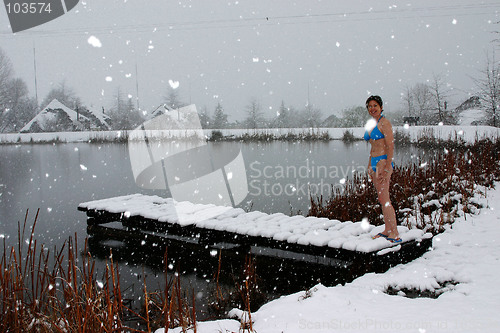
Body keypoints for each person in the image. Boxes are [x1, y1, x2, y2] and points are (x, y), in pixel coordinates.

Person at [363, 95, 401, 243]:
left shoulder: (385, 123)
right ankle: (387, 229)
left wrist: (386, 167)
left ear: (381, 107)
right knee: (381, 198)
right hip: (373, 162)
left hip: (382, 162)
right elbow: (372, 145)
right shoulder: (372, 123)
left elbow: (390, 145)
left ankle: (395, 233)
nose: (372, 109)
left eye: (375, 106)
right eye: (370, 106)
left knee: (385, 199)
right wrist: (369, 164)